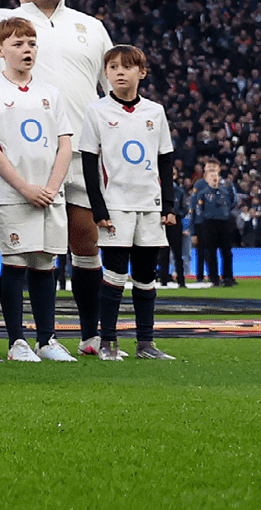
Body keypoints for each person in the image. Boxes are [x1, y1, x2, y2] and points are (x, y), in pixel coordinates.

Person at [0, 0, 121, 356]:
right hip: (25, 159)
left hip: (82, 150)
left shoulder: (90, 26)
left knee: (86, 244)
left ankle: (92, 337)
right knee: (29, 253)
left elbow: (110, 84)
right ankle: (24, 339)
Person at [0, 16, 74, 362]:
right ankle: (17, 342)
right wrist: (24, 187)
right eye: (18, 44)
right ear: (0, 51)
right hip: (13, 194)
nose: (26, 50)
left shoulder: (50, 92)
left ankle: (47, 340)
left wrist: (50, 186)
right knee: (16, 263)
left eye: (31, 43)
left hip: (49, 194)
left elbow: (65, 144)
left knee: (46, 263)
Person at [81, 45, 177, 360]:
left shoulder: (155, 111)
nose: (120, 72)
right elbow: (89, 164)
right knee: (115, 273)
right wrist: (98, 208)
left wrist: (168, 205)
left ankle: (145, 344)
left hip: (150, 205)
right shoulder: (96, 111)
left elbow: (165, 161)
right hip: (116, 205)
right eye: (112, 67)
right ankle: (108, 342)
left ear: (142, 72)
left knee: (146, 276)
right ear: (105, 74)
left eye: (126, 66)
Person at [190, 161, 237, 288]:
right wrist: (198, 224)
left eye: (215, 175)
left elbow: (232, 202)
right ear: (206, 178)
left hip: (224, 222)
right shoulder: (202, 193)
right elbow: (199, 210)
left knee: (226, 251)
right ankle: (214, 278)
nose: (214, 178)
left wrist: (225, 213)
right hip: (209, 223)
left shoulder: (225, 190)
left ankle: (227, 277)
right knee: (211, 251)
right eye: (211, 176)